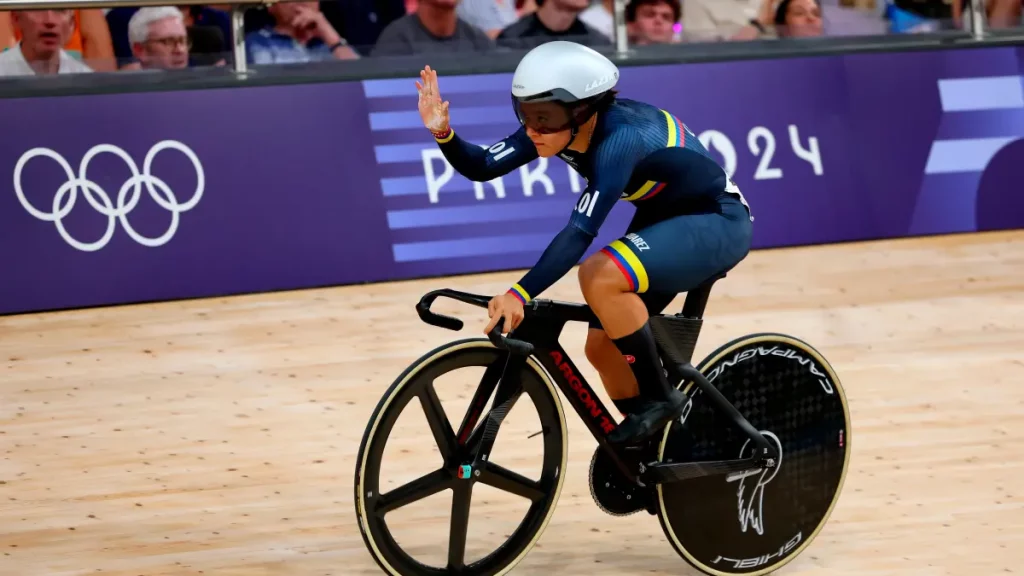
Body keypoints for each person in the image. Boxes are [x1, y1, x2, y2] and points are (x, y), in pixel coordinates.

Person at [414, 41, 753, 446]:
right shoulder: (551, 130)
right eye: (525, 113)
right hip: (668, 215)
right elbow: (484, 165)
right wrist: (442, 131)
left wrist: (519, 293)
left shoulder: (620, 141)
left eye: (544, 117)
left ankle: (662, 400)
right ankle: (658, 448)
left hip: (717, 220)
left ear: (582, 111)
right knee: (603, 350)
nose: (532, 129)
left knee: (599, 275)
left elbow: (580, 231)